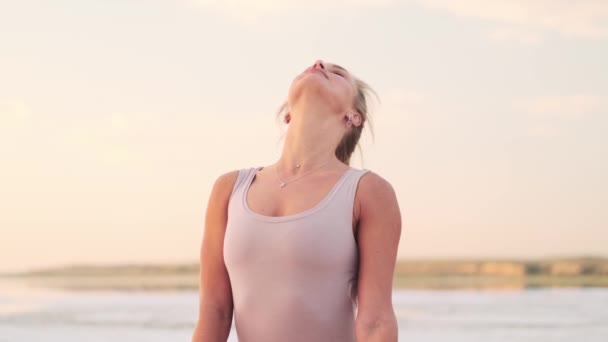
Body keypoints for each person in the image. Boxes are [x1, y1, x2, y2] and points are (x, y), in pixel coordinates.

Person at [191, 60, 402, 342]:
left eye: (338, 72)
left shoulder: (368, 192)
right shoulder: (229, 189)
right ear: (288, 114)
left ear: (354, 116)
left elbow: (376, 321)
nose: (319, 64)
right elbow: (214, 312)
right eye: (315, 65)